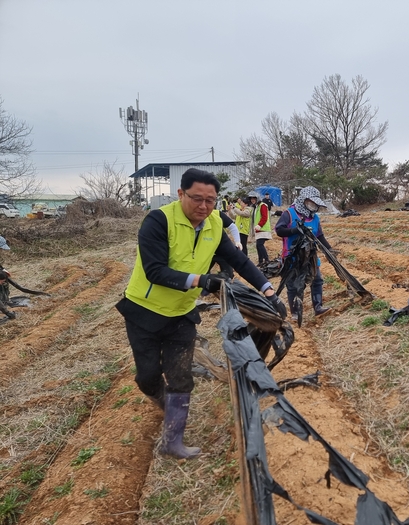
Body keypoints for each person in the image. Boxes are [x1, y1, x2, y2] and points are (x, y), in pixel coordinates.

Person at [115, 168, 287, 460]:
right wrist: (201, 280)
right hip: (144, 312)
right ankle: (161, 399)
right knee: (147, 377)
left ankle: (173, 441)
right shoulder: (158, 221)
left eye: (211, 200)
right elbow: (155, 270)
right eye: (197, 199)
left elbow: (240, 261)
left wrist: (269, 292)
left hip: (182, 314)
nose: (204, 206)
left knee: (181, 377)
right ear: (181, 194)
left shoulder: (213, 226)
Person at [275, 186, 333, 321]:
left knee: (317, 279)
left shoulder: (315, 218)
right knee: (293, 285)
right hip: (292, 256)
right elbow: (279, 230)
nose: (313, 205)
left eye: (315, 203)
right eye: (311, 202)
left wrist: (330, 250)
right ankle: (295, 313)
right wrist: (295, 230)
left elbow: (320, 236)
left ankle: (318, 307)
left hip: (310, 257)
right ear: (303, 200)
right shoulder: (289, 213)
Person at [248, 192, 271, 267]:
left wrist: (259, 225)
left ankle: (267, 260)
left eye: (254, 198)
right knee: (258, 245)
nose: (252, 200)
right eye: (251, 198)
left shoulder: (263, 205)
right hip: (259, 229)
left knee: (260, 244)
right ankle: (261, 261)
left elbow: (264, 217)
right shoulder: (256, 206)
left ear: (257, 198)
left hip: (263, 229)